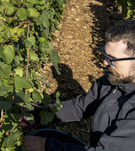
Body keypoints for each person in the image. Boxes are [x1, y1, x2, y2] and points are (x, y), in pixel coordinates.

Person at [21, 20, 135, 151]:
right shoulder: (112, 79)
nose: (104, 62)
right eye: (104, 54)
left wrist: (46, 146)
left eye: (111, 58)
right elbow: (80, 107)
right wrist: (36, 114)